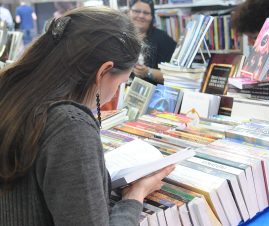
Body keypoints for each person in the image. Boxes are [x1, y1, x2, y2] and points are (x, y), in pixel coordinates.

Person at [0, 7, 174, 225]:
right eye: (121, 83)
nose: (115, 91)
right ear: (103, 72)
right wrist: (135, 196)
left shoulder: (11, 92)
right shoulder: (70, 126)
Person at [128, 0, 176, 85]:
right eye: (137, 11)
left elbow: (174, 76)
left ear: (152, 16)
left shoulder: (163, 39)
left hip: (154, 92)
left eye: (146, 13)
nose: (141, 16)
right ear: (129, 12)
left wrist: (148, 72)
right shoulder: (119, 36)